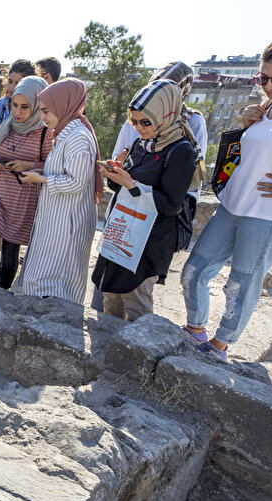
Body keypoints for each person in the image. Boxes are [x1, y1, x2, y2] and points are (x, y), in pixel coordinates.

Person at [181, 31, 272, 361]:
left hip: (269, 216)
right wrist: (248, 124)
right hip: (232, 204)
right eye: (262, 77)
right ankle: (196, 330)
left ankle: (220, 346)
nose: (268, 85)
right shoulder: (268, 105)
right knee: (194, 271)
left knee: (240, 286)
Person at [92, 80, 197, 321]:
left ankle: (136, 357)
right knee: (111, 296)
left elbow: (171, 205)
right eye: (134, 121)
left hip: (149, 241)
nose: (139, 127)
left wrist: (131, 184)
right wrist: (116, 175)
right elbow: (127, 185)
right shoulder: (143, 142)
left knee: (136, 303)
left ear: (166, 114)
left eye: (145, 122)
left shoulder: (181, 151)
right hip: (123, 233)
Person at [14, 78, 100, 304]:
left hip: (67, 223)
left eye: (45, 111)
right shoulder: (65, 133)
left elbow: (76, 182)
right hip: (57, 218)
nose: (42, 118)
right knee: (45, 276)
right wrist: (35, 168)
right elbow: (63, 169)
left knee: (56, 283)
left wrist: (40, 178)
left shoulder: (78, 138)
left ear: (64, 105)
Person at [0, 76, 52, 287]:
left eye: (25, 107)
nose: (18, 112)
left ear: (37, 105)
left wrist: (29, 165)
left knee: (11, 251)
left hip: (23, 195)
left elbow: (51, 166)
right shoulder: (8, 124)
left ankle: (2, 295)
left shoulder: (46, 133)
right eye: (15, 106)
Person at [0, 59, 36, 145]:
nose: (11, 88)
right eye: (10, 82)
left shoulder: (36, 110)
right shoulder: (0, 105)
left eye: (18, 83)